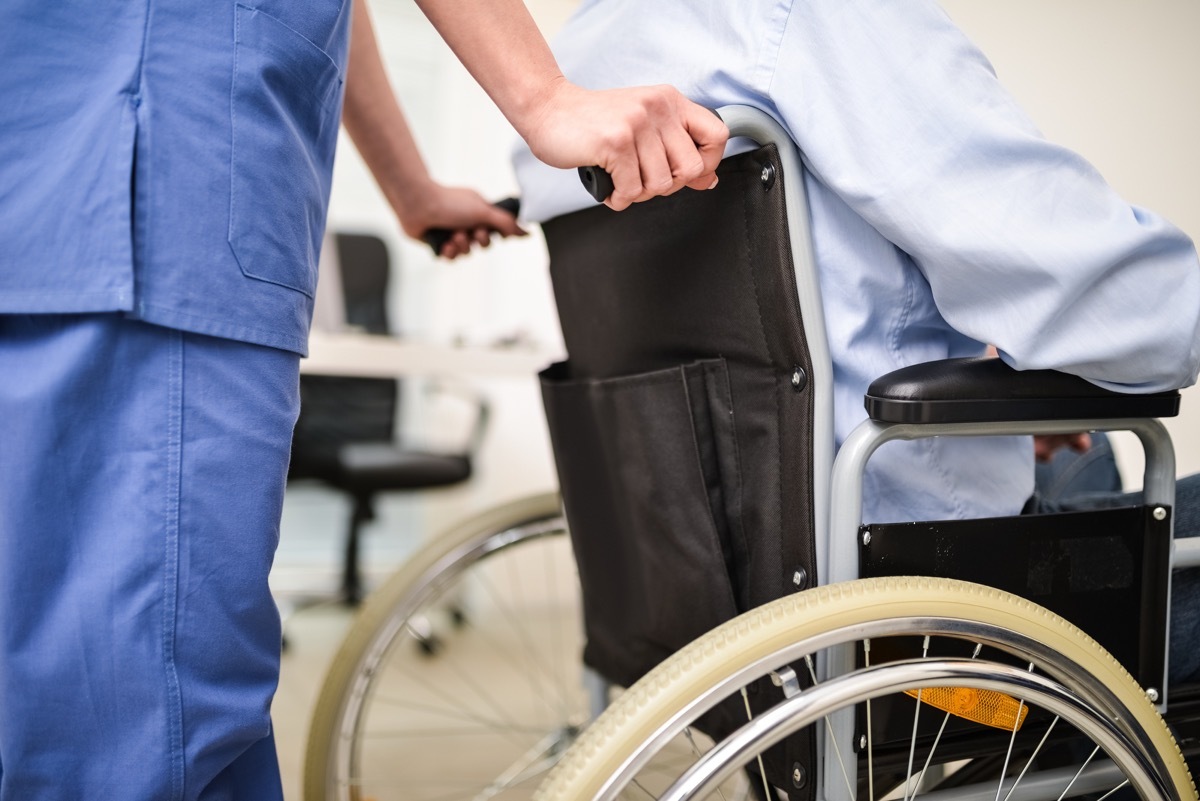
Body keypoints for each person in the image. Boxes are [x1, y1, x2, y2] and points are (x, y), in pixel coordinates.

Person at [0, 0, 727, 797]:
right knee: (134, 717)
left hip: (54, 181)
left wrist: (410, 186)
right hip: (150, 193)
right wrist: (548, 101)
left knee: (62, 680)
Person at [512, 0, 1200, 682]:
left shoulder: (574, 62)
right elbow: (1103, 296)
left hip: (715, 602)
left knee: (1092, 455)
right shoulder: (802, 17)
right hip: (905, 615)